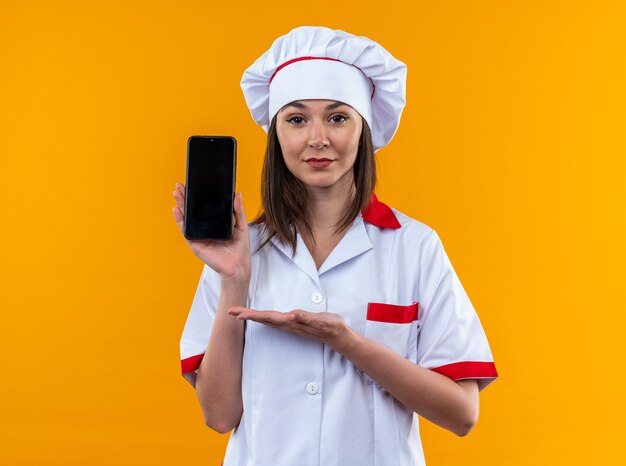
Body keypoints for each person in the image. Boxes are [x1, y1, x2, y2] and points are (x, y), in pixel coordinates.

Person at [172, 26, 498, 466]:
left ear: (364, 128)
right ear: (276, 134)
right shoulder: (242, 251)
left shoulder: (415, 246)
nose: (317, 139)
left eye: (338, 117)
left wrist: (347, 342)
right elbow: (219, 414)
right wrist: (234, 280)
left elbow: (462, 413)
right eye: (297, 118)